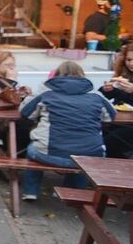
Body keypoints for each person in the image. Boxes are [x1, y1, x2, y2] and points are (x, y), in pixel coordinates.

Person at [19, 61, 116, 201]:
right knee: (85, 152)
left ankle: (31, 191)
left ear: (56, 75)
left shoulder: (46, 92)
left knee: (34, 148)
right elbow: (111, 116)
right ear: (82, 75)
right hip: (88, 158)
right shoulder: (96, 95)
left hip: (49, 154)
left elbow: (25, 112)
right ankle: (73, 193)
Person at [101, 43, 133, 158]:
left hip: (128, 125)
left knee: (111, 139)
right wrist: (108, 90)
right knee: (97, 132)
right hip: (119, 120)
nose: (131, 63)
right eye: (129, 60)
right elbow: (119, 97)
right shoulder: (124, 75)